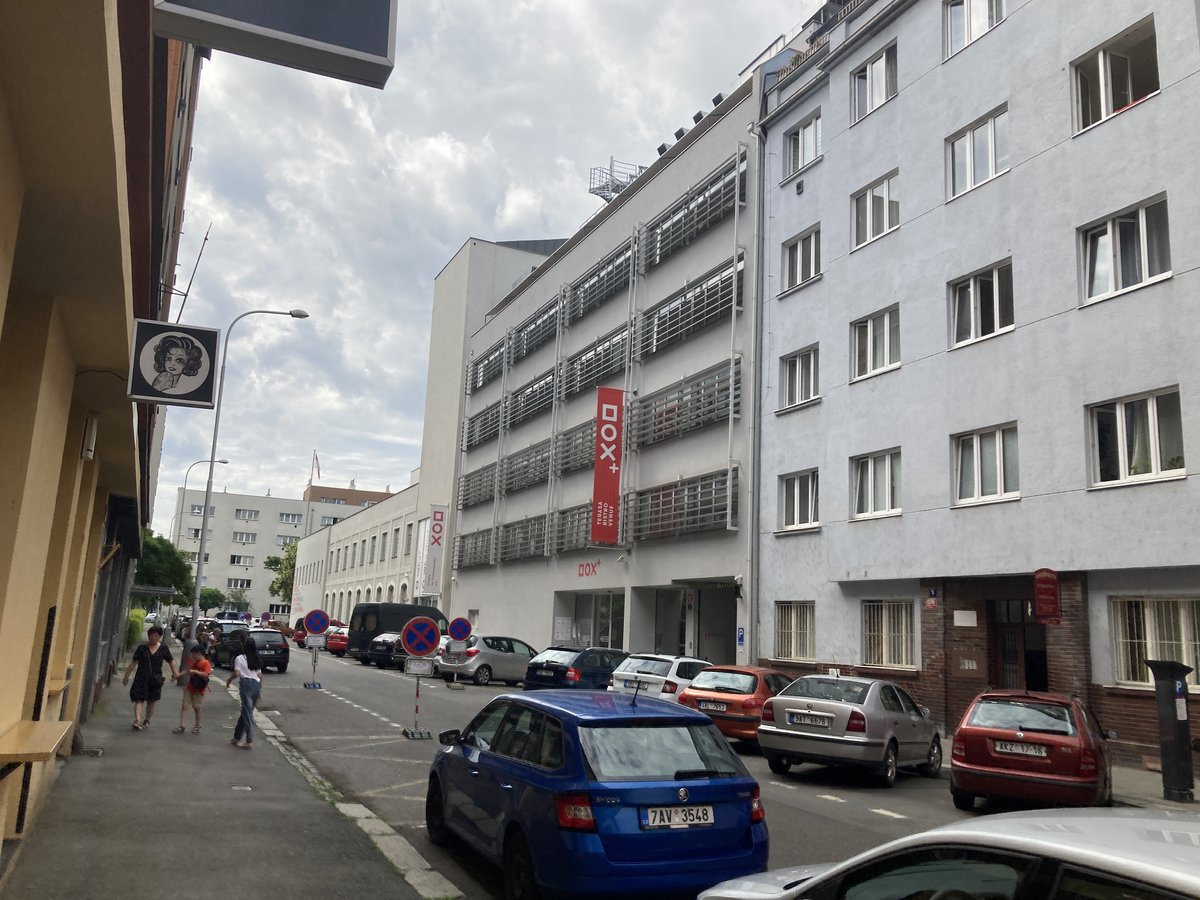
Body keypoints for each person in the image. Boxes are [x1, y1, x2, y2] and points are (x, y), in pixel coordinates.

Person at [121, 625, 178, 730]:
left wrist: (175, 673)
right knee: (139, 699)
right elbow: (133, 663)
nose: (153, 638)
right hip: (141, 677)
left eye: (156, 636)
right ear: (148, 636)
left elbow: (171, 661)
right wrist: (126, 676)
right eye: (151, 635)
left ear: (159, 637)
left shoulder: (163, 649)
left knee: (151, 701)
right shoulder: (141, 648)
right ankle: (137, 720)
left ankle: (147, 719)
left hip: (155, 679)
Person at [225, 636, 262, 749]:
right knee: (245, 713)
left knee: (247, 713)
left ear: (244, 646)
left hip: (246, 685)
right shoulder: (256, 658)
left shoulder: (239, 658)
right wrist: (260, 690)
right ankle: (236, 738)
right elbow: (260, 675)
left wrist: (229, 680)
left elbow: (237, 673)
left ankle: (249, 740)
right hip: (256, 685)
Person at [172, 645, 212, 734]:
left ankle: (197, 725)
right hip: (190, 687)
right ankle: (182, 725)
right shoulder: (195, 663)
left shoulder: (206, 663)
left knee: (196, 707)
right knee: (185, 705)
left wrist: (195, 672)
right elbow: (187, 670)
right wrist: (177, 676)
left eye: (194, 655)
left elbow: (206, 674)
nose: (193, 657)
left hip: (199, 689)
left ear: (199, 654)